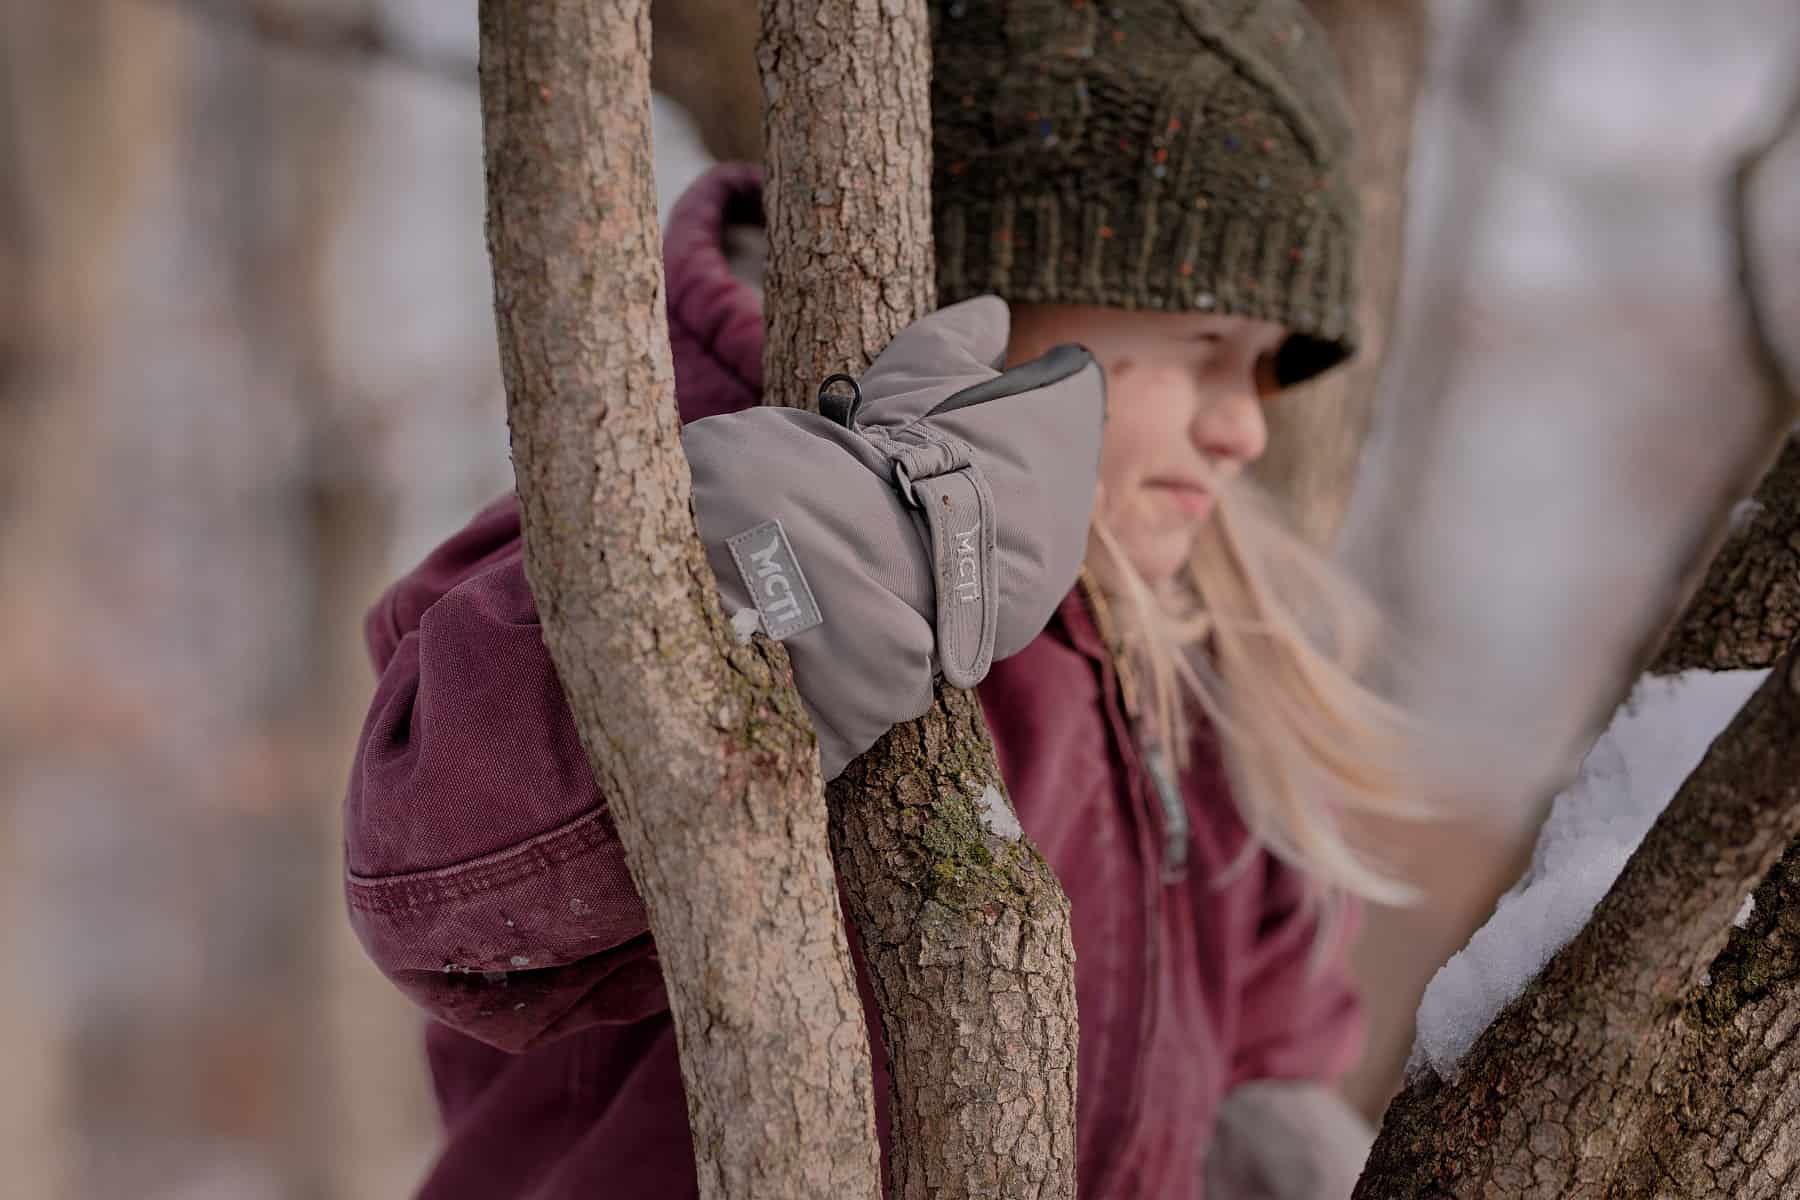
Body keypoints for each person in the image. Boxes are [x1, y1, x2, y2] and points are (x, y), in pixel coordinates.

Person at [344, 1, 1435, 1195]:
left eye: (1269, 368)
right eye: (1206, 344)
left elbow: (1261, 1052)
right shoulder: (670, 483)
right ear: (1005, 295)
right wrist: (872, 549)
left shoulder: (1195, 667)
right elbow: (443, 867)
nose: (1246, 429)